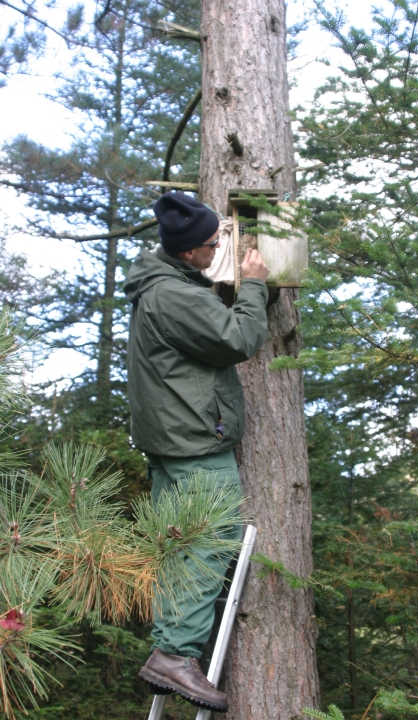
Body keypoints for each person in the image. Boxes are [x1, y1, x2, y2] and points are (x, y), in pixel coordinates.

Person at [124, 191, 269, 713]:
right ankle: (175, 654)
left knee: (179, 548)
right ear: (188, 252)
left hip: (171, 441)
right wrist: (253, 286)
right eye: (213, 243)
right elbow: (236, 339)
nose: (219, 249)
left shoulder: (165, 283)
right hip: (192, 444)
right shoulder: (177, 296)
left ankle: (171, 646)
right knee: (207, 545)